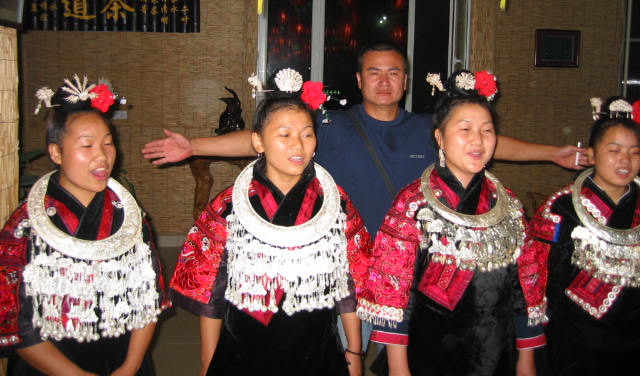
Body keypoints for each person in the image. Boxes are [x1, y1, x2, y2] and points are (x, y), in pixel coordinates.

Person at [142, 41, 586, 238]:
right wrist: (194, 146)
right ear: (359, 79)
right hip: (347, 255)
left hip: (408, 258)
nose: (384, 81)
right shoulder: (330, 124)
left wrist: (553, 154)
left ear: (406, 80)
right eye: (374, 72)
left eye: (394, 73)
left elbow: (486, 145)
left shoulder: (427, 127)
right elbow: (264, 139)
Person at [168, 80, 372, 376]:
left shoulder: (335, 203)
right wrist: (207, 361)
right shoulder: (230, 205)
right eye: (284, 134)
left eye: (307, 134)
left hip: (317, 350)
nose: (298, 145)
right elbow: (212, 292)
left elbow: (349, 283)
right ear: (258, 142)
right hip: (244, 350)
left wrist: (354, 349)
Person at [356, 70, 544, 376]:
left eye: (487, 130)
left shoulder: (508, 206)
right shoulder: (412, 205)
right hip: (428, 354)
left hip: (498, 352)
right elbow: (393, 294)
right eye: (465, 129)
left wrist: (526, 359)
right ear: (440, 137)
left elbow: (525, 287)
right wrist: (399, 368)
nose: (477, 141)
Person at [0, 75, 167, 376]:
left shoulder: (129, 218)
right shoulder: (26, 226)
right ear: (56, 153)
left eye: (108, 143)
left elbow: (149, 298)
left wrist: (131, 365)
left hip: (124, 359)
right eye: (87, 145)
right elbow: (17, 321)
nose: (102, 156)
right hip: (51, 364)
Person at [519, 97, 640, 375]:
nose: (625, 161)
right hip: (573, 346)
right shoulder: (561, 208)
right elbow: (532, 282)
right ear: (592, 155)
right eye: (614, 150)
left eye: (635, 152)